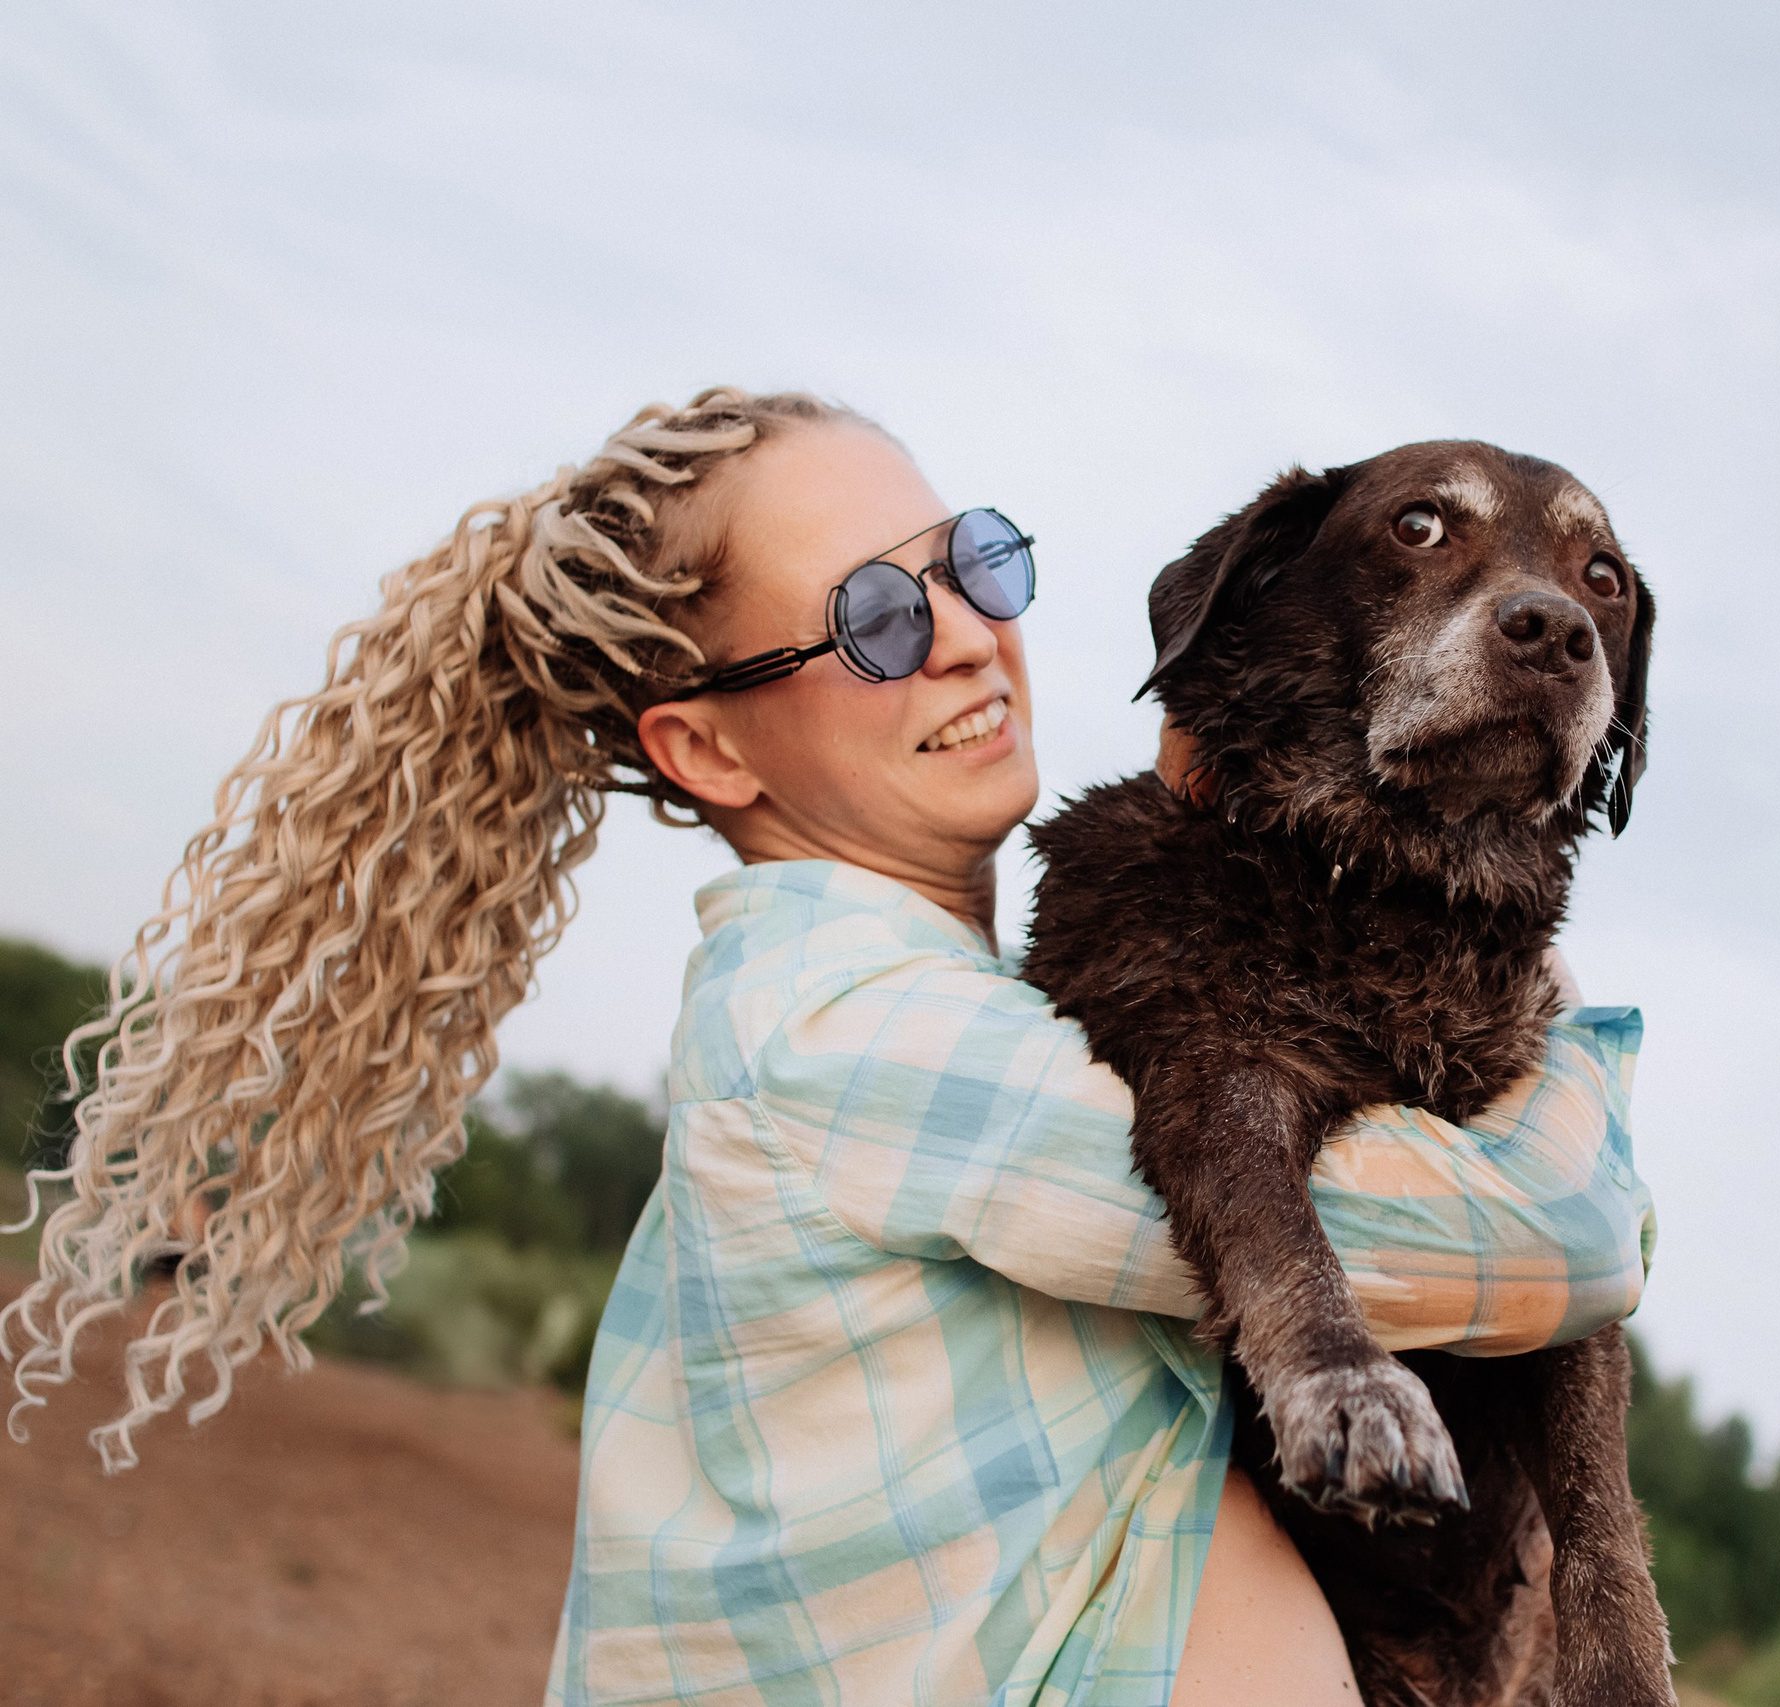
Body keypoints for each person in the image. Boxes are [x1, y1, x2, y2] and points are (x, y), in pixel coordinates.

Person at [0, 390, 1654, 1706]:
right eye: (870, 620)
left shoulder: (956, 1009)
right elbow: (1528, 1243)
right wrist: (1560, 1037)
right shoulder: (848, 1036)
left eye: (972, 565)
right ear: (709, 747)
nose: (965, 635)